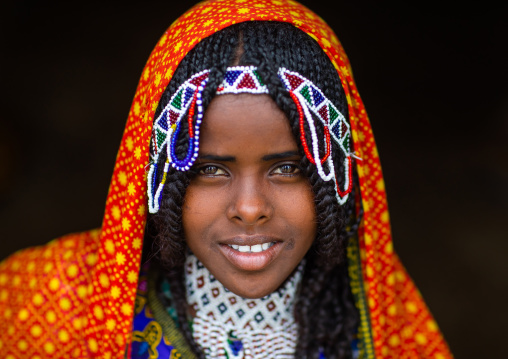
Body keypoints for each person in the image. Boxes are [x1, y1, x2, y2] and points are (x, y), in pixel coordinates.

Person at [0, 1, 453, 358]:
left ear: (335, 176)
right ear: (161, 176)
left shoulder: (387, 323)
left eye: (288, 168)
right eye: (210, 170)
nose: (251, 207)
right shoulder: (46, 302)